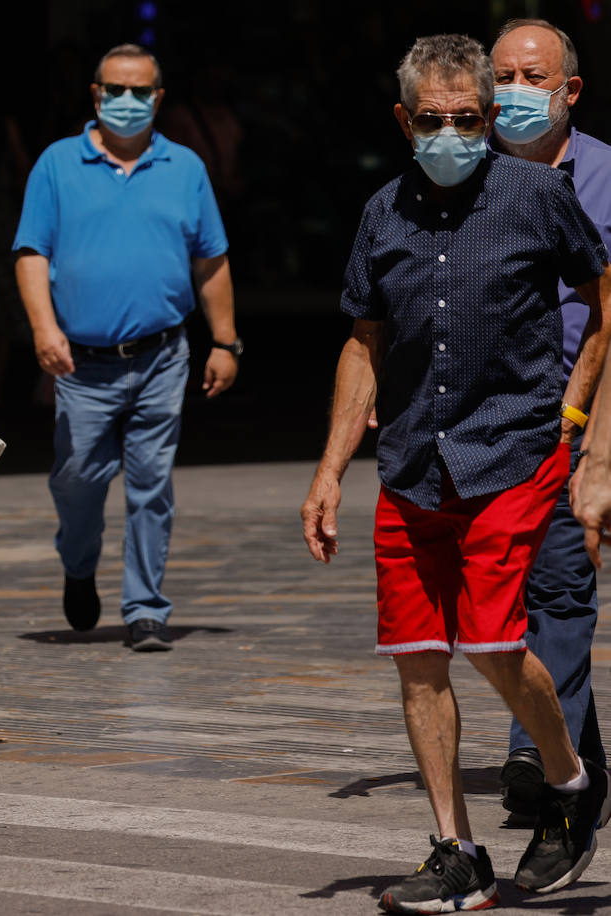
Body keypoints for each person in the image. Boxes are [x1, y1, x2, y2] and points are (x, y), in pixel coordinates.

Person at [300, 34, 611, 913]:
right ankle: (456, 850)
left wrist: (579, 417)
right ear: (404, 120)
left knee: (491, 641)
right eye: (433, 121)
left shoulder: (534, 196)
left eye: (468, 121)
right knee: (417, 659)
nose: (452, 134)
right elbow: (362, 345)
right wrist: (329, 472)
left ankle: (567, 774)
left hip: (512, 452)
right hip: (411, 463)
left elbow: (602, 300)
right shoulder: (380, 213)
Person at [12, 43, 240, 652]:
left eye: (141, 92)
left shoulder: (185, 167)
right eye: (116, 90)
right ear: (96, 94)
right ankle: (79, 561)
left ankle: (146, 608)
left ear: (159, 98)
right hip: (81, 363)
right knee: (78, 478)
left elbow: (211, 260)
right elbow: (32, 253)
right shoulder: (57, 165)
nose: (128, 102)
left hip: (163, 356)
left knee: (151, 484)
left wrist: (225, 341)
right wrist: (43, 329)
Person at [487, 17, 611, 822]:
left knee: (560, 586)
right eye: (502, 77)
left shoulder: (605, 174)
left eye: (534, 78)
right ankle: (580, 762)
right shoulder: (467, 174)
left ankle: (535, 753)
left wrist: (597, 440)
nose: (515, 93)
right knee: (526, 593)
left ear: (569, 90)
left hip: (583, 412)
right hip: (493, 422)